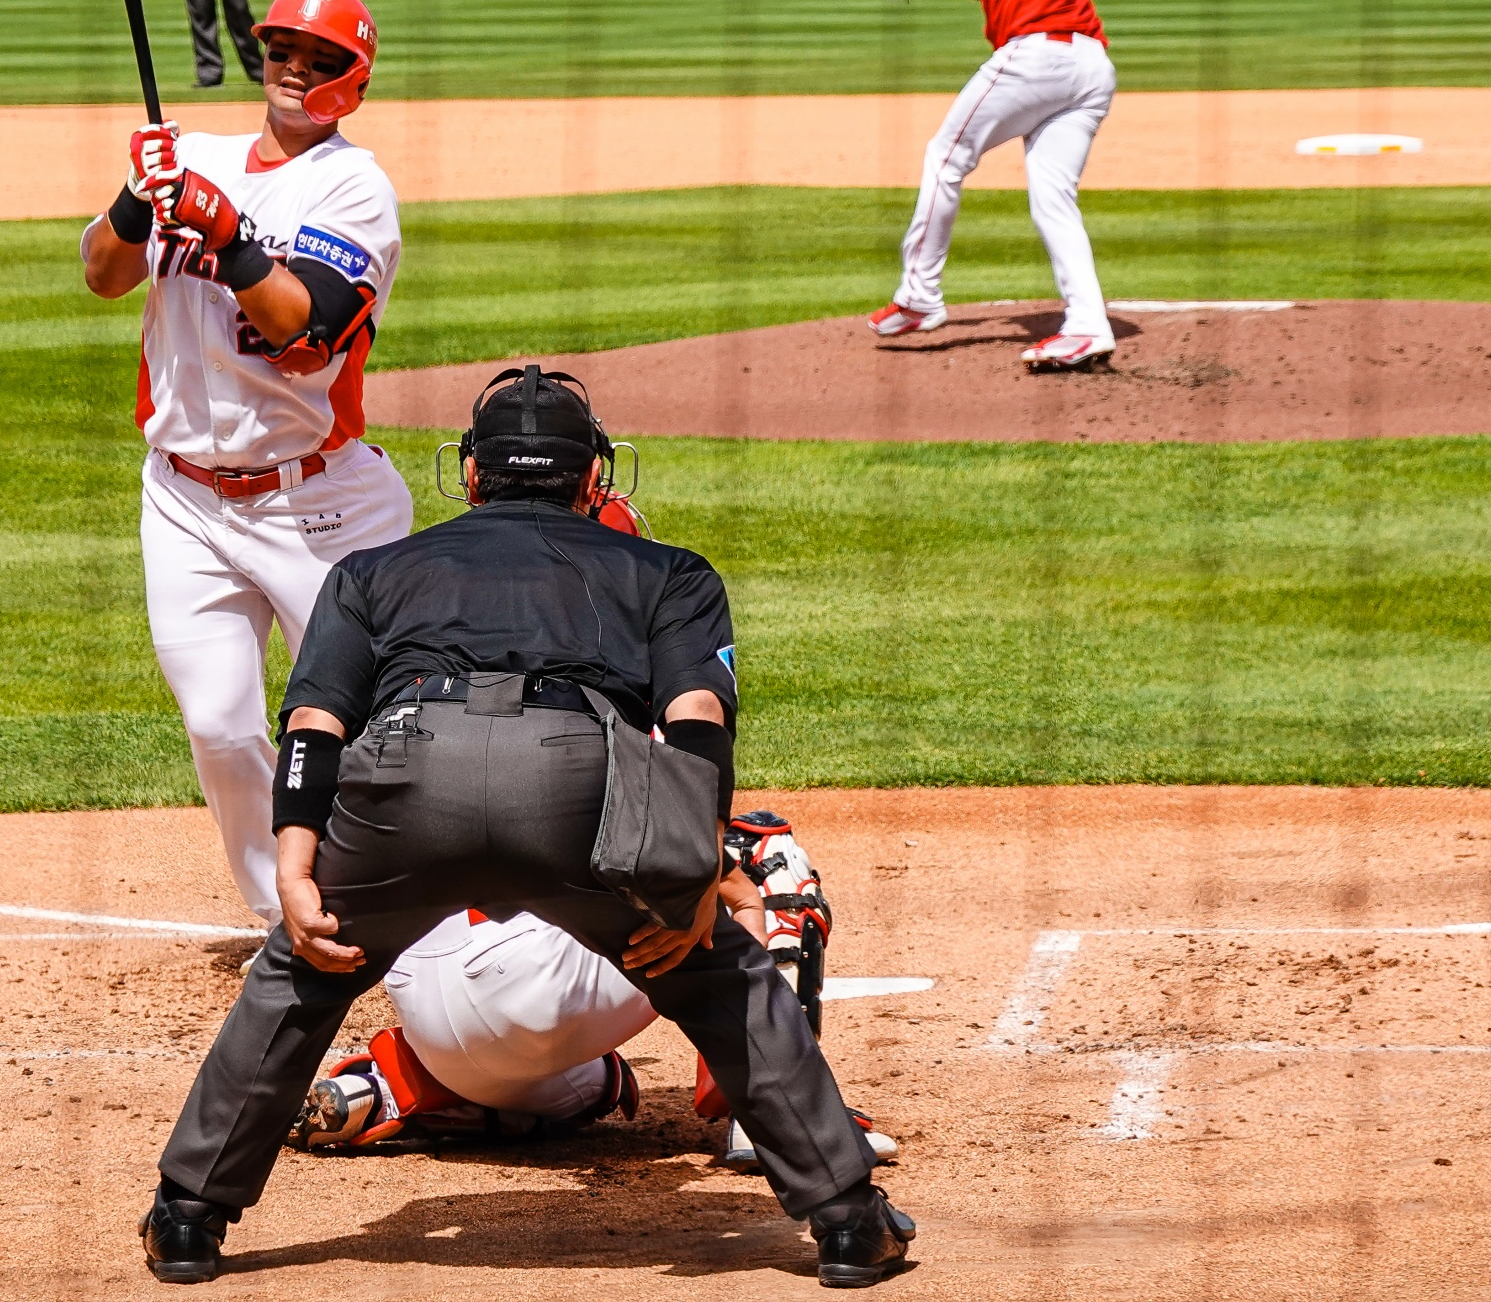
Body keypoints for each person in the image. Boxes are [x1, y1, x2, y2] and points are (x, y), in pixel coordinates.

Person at [133, 366, 918, 1289]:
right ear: (594, 477)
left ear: (470, 475)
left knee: (303, 969)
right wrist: (695, 873)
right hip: (574, 784)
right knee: (717, 972)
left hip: (407, 780)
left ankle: (186, 1219)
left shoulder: (371, 570)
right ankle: (848, 1223)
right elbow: (699, 721)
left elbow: (314, 725)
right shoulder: (670, 571)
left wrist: (296, 868)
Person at [81, 0, 413, 934]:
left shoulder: (353, 188)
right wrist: (139, 198)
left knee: (378, 726)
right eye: (282, 50)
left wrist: (224, 234)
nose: (294, 70)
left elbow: (304, 332)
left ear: (354, 83)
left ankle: (413, 899)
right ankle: (288, 916)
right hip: (184, 501)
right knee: (221, 728)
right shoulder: (194, 158)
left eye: (322, 60)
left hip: (321, 508)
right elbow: (102, 273)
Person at [291, 806, 903, 1174]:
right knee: (759, 848)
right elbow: (666, 829)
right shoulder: (602, 675)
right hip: (529, 984)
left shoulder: (432, 692)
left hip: (418, 979)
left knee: (601, 1088)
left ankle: (399, 1086)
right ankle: (774, 1113)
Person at [869, 0, 1120, 374]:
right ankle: (1088, 327)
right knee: (1052, 196)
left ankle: (919, 296)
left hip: (1042, 57)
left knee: (945, 155)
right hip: (1085, 67)